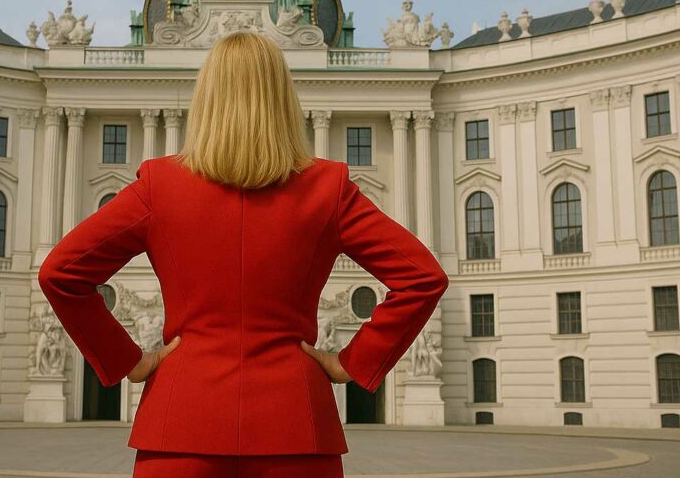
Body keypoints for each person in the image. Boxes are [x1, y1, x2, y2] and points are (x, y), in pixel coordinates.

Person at [38, 30, 450, 478]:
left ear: (206, 100)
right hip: (296, 429)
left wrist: (131, 360)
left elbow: (60, 273)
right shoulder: (327, 189)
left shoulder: (159, 187)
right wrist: (350, 362)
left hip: (179, 428)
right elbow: (423, 277)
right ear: (283, 101)